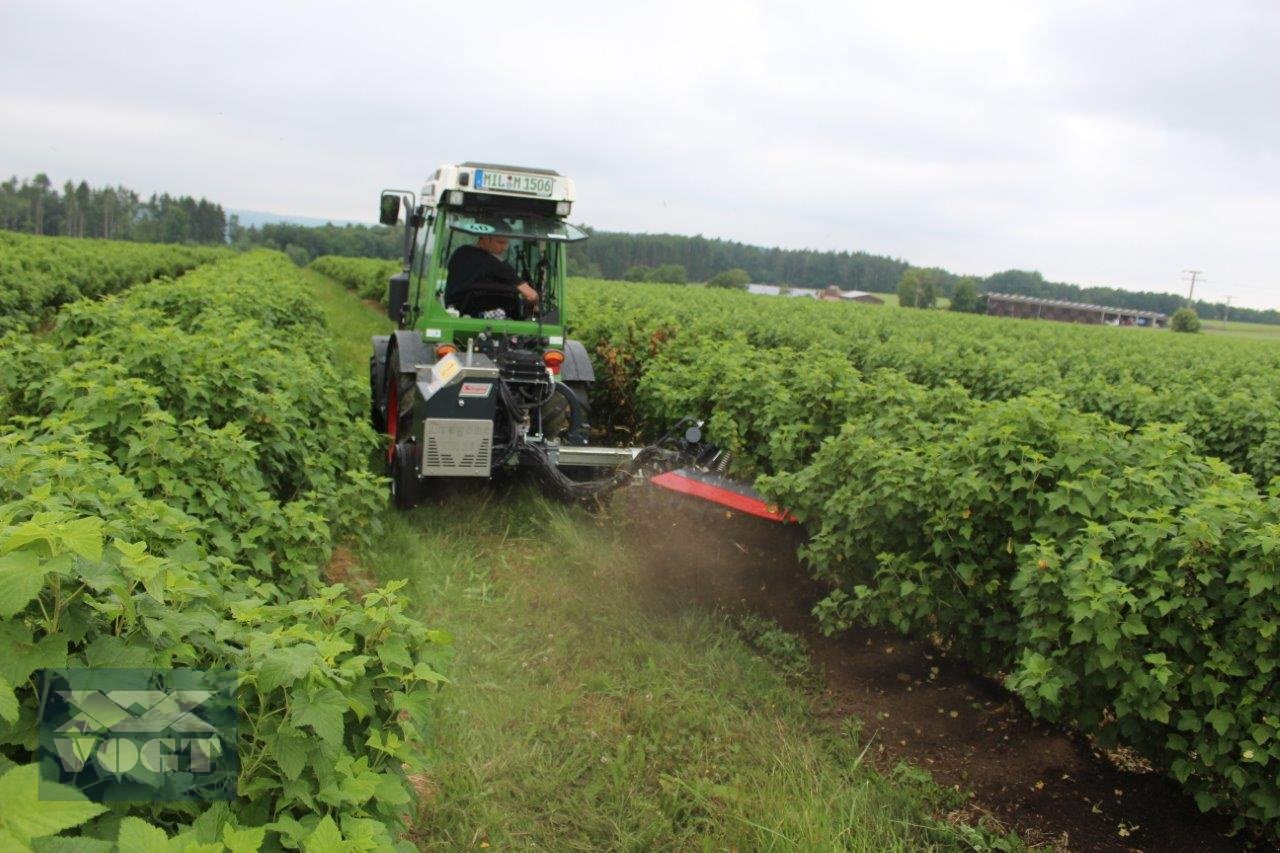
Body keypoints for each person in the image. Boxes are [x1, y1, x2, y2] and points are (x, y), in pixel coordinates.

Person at [444, 234, 539, 316]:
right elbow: (532, 295)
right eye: (500, 242)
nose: (504, 247)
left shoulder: (459, 253)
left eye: (506, 243)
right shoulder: (498, 265)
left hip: (456, 312)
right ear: (485, 237)